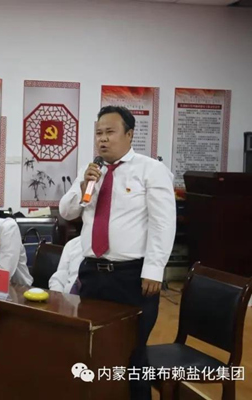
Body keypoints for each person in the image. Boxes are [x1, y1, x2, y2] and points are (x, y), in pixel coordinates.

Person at [59, 106, 176, 399]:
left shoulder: (151, 170)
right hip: (92, 273)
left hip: (132, 277)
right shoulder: (91, 171)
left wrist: (154, 270)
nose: (103, 139)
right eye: (99, 133)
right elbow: (67, 212)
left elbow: (163, 224)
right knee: (94, 348)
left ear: (129, 134)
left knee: (132, 353)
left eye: (110, 132)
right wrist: (84, 186)